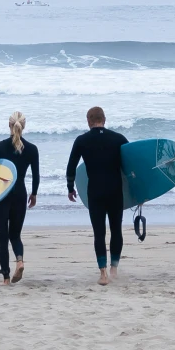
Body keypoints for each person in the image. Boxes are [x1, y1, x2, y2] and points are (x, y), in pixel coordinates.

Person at [66, 107, 128, 285]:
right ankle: (114, 269)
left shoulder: (81, 140)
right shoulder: (119, 139)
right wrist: (139, 191)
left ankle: (103, 274)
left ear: (88, 120)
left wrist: (70, 188)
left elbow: (71, 167)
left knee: (99, 233)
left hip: (95, 192)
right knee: (116, 229)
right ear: (104, 119)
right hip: (116, 191)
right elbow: (132, 165)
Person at [0, 111, 39, 285]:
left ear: (9, 125)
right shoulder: (32, 149)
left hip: (1, 196)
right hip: (20, 194)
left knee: (2, 238)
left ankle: (5, 278)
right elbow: (36, 175)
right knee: (15, 235)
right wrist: (33, 194)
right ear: (24, 126)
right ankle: (19, 261)